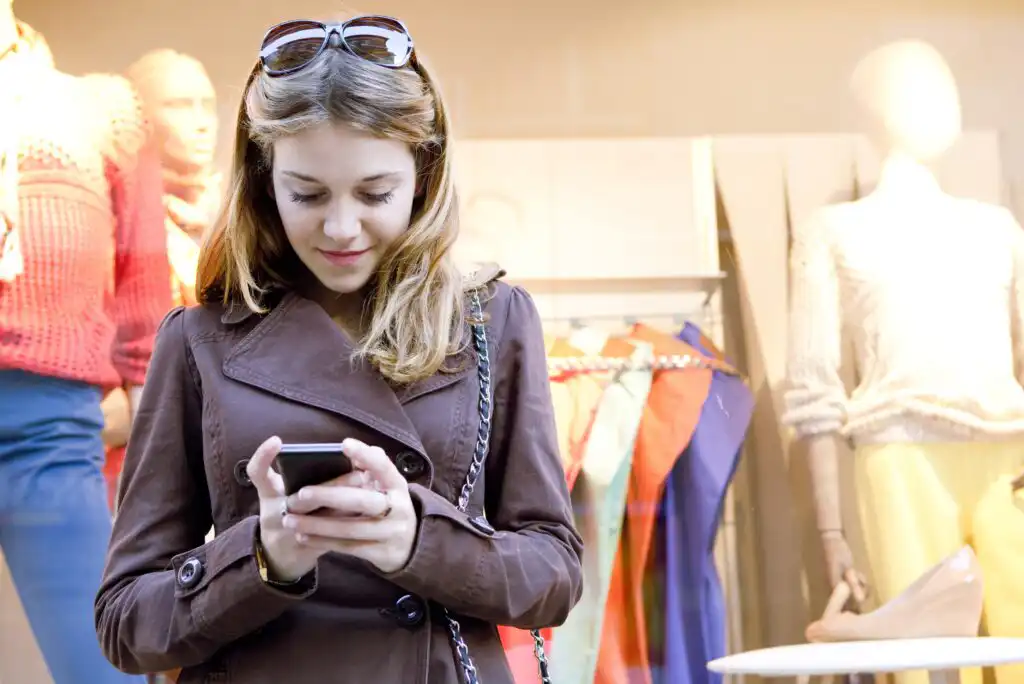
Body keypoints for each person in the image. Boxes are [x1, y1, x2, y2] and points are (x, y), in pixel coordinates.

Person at [95, 14, 583, 684]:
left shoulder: (490, 321)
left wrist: (418, 539)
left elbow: (554, 577)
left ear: (424, 169)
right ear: (266, 180)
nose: (342, 227)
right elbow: (126, 624)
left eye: (375, 192)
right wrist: (263, 557)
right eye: (308, 194)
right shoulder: (199, 340)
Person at [0, 6, 169, 684]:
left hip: (52, 437)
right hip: (56, 431)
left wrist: (155, 429)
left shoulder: (100, 110)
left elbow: (144, 283)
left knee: (104, 668)